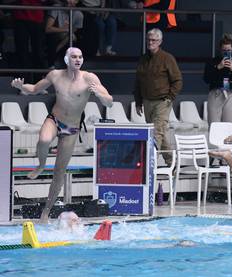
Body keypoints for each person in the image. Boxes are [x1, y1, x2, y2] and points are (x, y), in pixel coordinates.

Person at [11, 47, 113, 223]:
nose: (78, 60)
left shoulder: (89, 78)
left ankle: (46, 212)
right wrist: (21, 87)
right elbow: (34, 89)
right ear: (66, 60)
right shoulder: (55, 75)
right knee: (43, 139)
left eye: (80, 57)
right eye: (74, 57)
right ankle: (41, 165)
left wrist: (100, 95)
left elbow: (109, 102)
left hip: (71, 129)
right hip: (54, 120)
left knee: (59, 173)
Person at [133, 28, 182, 165]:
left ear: (160, 41)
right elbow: (138, 82)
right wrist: (138, 102)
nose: (150, 42)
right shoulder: (143, 59)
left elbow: (177, 80)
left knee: (156, 133)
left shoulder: (167, 58)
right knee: (159, 133)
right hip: (147, 101)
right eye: (149, 39)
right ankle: (172, 162)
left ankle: (149, 163)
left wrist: (169, 97)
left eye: (154, 40)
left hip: (162, 101)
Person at [203, 34, 232, 128]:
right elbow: (206, 79)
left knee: (230, 127)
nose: (226, 52)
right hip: (217, 94)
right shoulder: (213, 62)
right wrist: (218, 67)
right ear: (220, 50)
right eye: (224, 50)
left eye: (229, 50)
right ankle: (214, 143)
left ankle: (230, 142)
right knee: (214, 126)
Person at [45, 0, 84, 67]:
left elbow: (72, 33)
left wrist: (57, 48)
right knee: (53, 38)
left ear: (77, 1)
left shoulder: (79, 15)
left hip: (66, 38)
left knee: (72, 39)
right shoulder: (56, 7)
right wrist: (64, 29)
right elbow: (47, 29)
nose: (70, 1)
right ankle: (50, 66)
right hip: (54, 34)